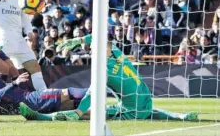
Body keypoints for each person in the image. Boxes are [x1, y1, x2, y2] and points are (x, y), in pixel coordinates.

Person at [19, 35, 199, 122]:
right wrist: (78, 40)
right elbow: (101, 39)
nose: (92, 50)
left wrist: (79, 112)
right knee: (145, 110)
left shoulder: (102, 70)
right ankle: (180, 116)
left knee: (87, 113)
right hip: (146, 102)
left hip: (131, 111)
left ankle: (40, 117)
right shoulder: (118, 55)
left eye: (95, 48)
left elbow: (89, 99)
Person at [0, 0, 47, 92]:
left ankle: (44, 96)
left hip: (19, 40)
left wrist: (29, 31)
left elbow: (24, 18)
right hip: (2, 40)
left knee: (35, 67)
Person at [0, 53, 88, 116]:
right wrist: (15, 83)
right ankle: (96, 92)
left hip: (32, 105)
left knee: (71, 106)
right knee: (68, 92)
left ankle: (101, 112)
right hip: (33, 100)